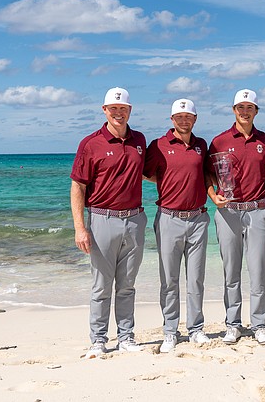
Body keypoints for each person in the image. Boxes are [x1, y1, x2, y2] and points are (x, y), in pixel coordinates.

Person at [70, 87, 147, 358]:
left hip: (136, 219)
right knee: (102, 285)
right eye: (113, 108)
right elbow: (78, 186)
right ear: (104, 110)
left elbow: (148, 173)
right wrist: (80, 228)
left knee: (127, 284)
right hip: (103, 219)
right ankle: (98, 340)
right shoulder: (90, 143)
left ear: (129, 110)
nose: (118, 113)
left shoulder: (139, 140)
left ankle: (126, 337)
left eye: (122, 108)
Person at [207, 89, 265, 345]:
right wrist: (213, 195)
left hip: (257, 211)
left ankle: (259, 324)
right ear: (233, 110)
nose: (244, 112)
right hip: (228, 212)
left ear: (256, 111)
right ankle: (232, 324)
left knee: (258, 270)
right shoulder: (219, 141)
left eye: (249, 108)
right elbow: (207, 174)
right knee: (231, 271)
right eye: (240, 107)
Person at [144, 99, 211, 353]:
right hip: (169, 218)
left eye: (189, 116)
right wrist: (167, 184)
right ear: (172, 119)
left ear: (195, 119)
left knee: (196, 279)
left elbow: (205, 175)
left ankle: (196, 329)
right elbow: (146, 172)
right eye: (179, 117)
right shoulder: (158, 145)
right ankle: (170, 330)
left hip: (198, 219)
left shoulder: (201, 145)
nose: (184, 120)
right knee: (169, 280)